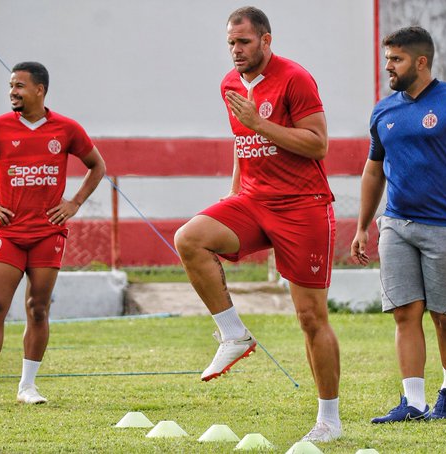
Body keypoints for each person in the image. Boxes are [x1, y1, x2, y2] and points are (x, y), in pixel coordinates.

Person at [174, 6, 341, 442]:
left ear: (266, 40)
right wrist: (234, 191)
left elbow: (318, 144)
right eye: (230, 42)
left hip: (302, 206)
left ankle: (329, 420)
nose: (235, 50)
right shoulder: (229, 83)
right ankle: (233, 334)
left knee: (310, 317)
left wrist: (260, 123)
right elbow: (241, 142)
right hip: (252, 200)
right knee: (189, 238)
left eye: (243, 42)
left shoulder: (295, 78)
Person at [351, 26, 446, 422]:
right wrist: (363, 225)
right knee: (404, 312)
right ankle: (413, 401)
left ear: (421, 61)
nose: (389, 68)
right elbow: (373, 171)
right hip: (396, 225)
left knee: (445, 317)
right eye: (386, 60)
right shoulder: (384, 110)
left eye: (396, 60)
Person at [0, 61, 106, 407]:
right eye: (10, 86)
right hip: (8, 234)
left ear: (40, 90)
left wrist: (75, 202)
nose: (12, 92)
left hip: (48, 234)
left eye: (19, 86)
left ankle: (27, 387)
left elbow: (98, 165)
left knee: (38, 308)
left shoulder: (66, 129)